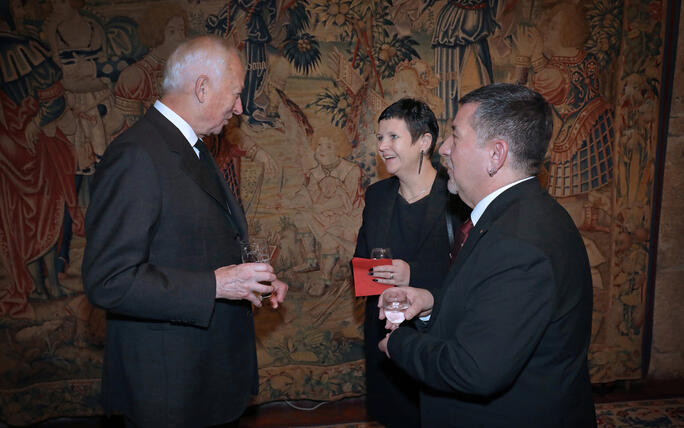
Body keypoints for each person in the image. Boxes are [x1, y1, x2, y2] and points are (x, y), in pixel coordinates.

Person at [82, 36, 288, 427]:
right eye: (237, 93)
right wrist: (215, 285)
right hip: (169, 389)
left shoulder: (192, 148)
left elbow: (198, 242)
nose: (240, 108)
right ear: (203, 87)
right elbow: (108, 280)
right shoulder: (138, 155)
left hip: (204, 380)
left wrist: (250, 280)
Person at [378, 84, 596, 427]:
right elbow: (496, 309)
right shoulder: (516, 215)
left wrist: (400, 343)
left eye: (455, 136)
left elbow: (474, 369)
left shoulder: (518, 242)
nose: (444, 148)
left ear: (496, 155)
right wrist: (433, 303)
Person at [354, 98, 464, 427]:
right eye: (379, 138)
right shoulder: (377, 196)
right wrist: (370, 276)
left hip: (437, 338)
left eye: (393, 137)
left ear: (424, 142)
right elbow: (360, 261)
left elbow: (471, 273)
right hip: (385, 335)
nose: (383, 146)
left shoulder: (457, 197)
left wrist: (410, 274)